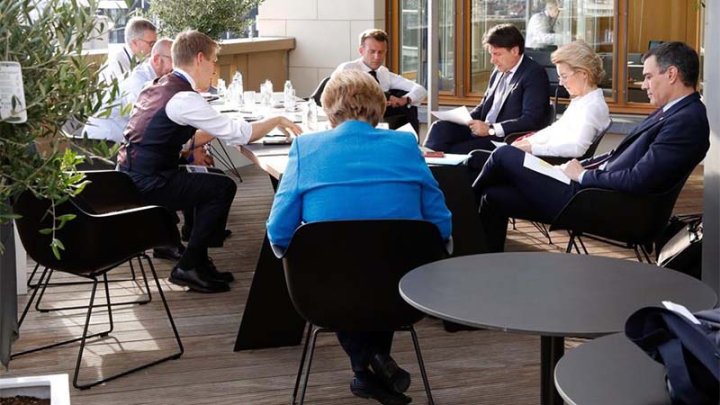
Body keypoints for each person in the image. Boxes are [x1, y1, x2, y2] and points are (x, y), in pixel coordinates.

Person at [266, 70, 451, 405]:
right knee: (377, 259)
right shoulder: (405, 144)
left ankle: (366, 369)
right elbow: (441, 221)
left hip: (324, 291)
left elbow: (279, 230)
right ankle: (373, 366)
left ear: (328, 109)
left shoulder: (306, 148)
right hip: (402, 286)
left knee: (342, 265)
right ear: (379, 106)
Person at [473, 41, 710, 252]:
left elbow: (639, 179)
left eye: (648, 77)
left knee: (504, 155)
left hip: (602, 205)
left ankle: (459, 210)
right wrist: (576, 167)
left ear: (671, 74)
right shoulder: (673, 113)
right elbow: (618, 156)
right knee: (493, 197)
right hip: (593, 195)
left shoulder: (686, 121)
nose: (643, 85)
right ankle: (477, 259)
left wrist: (584, 176)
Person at [117, 30, 302, 293]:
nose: (214, 69)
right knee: (222, 188)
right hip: (149, 182)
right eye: (214, 61)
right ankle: (189, 264)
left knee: (212, 179)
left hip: (127, 177)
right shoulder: (183, 98)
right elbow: (240, 133)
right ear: (200, 59)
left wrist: (198, 143)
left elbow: (171, 137)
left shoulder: (159, 86)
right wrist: (276, 120)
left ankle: (199, 261)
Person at [424, 24, 550, 154]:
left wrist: (491, 129)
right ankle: (421, 166)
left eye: (497, 54)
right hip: (483, 130)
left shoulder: (533, 73)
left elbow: (531, 119)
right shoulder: (498, 71)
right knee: (440, 127)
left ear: (515, 51)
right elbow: (484, 106)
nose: (492, 60)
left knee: (454, 150)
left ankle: (433, 170)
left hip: (504, 137)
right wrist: (466, 120)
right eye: (491, 54)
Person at [511, 41, 610, 158]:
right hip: (548, 161)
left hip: (554, 167)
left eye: (564, 76)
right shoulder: (582, 101)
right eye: (559, 77)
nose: (561, 83)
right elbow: (555, 129)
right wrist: (528, 141)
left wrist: (532, 148)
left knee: (499, 156)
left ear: (583, 73)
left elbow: (577, 148)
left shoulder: (593, 106)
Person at [335, 29, 427, 133]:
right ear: (361, 51)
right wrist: (386, 97)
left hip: (380, 124)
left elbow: (421, 89)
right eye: (372, 52)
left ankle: (412, 143)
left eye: (381, 52)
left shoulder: (383, 73)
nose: (377, 57)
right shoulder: (348, 68)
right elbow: (352, 93)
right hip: (350, 123)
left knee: (409, 108)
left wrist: (405, 99)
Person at [83, 39, 174, 144]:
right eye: (174, 60)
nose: (177, 67)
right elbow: (146, 123)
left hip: (113, 141)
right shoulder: (139, 82)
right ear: (157, 59)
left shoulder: (150, 76)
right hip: (102, 144)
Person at [100, 17, 158, 84]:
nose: (154, 47)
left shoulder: (146, 58)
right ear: (134, 43)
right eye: (151, 43)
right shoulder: (116, 63)